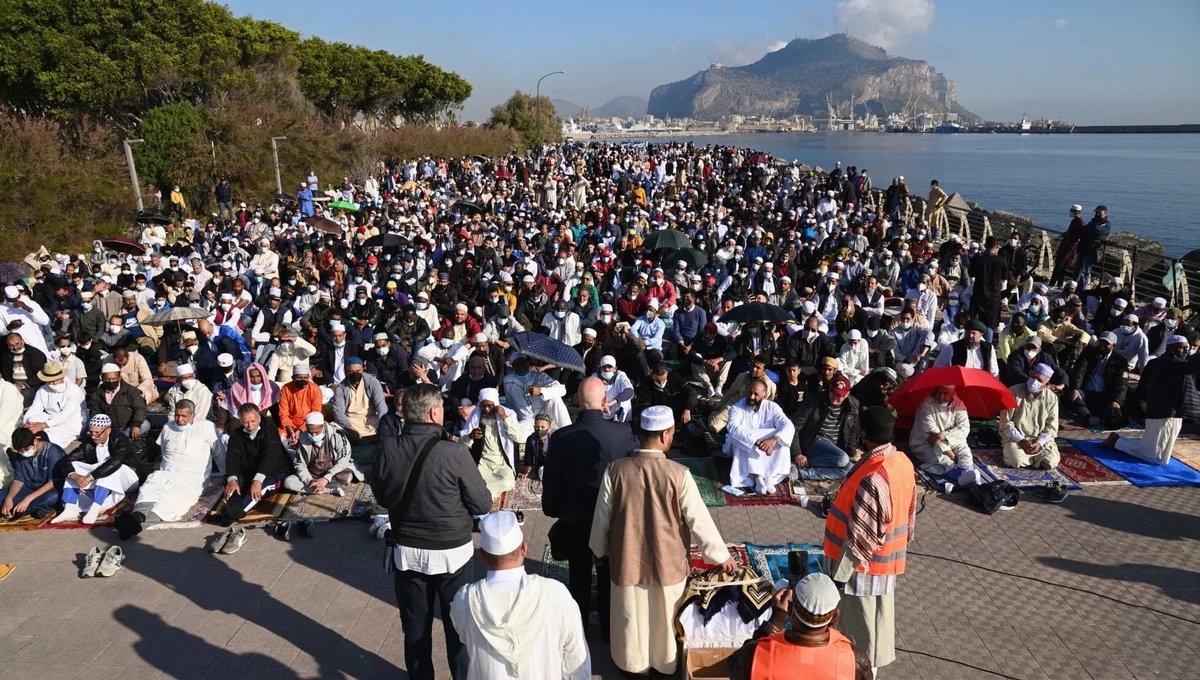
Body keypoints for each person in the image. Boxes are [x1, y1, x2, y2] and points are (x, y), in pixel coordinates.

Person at [589, 405, 736, 676]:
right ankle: (665, 666)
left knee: (631, 618)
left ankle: (633, 666)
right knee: (665, 620)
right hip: (667, 563)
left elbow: (602, 520)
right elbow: (699, 521)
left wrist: (598, 549)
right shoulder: (678, 474)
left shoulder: (615, 471)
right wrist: (720, 556)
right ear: (666, 435)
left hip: (626, 562)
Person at [368, 383, 491, 680]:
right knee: (458, 627)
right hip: (452, 552)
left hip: (407, 552)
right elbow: (482, 503)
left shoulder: (386, 448)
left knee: (415, 628)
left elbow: (383, 497)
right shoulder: (455, 452)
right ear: (435, 412)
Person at [543, 377, 639, 638]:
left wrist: (554, 510)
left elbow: (551, 486)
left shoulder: (561, 438)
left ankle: (579, 630)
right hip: (614, 521)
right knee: (610, 576)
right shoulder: (623, 433)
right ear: (605, 401)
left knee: (579, 576)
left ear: (576, 400)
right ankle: (611, 631)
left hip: (576, 522)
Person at [823, 406, 915, 677]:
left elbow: (861, 539)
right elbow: (909, 516)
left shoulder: (873, 477)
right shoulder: (902, 462)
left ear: (864, 433)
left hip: (860, 573)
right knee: (874, 634)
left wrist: (839, 578)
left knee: (859, 642)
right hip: (886, 565)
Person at [449, 511, 592, 680]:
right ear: (524, 549)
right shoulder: (556, 594)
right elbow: (576, 661)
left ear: (482, 556)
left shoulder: (465, 601)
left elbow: (464, 637)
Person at [115, 400, 224, 539]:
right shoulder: (168, 427)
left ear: (193, 415)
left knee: (172, 500)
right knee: (150, 487)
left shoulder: (206, 427)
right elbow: (163, 450)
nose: (180, 420)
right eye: (177, 415)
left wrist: (227, 475)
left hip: (191, 478)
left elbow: (219, 453)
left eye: (184, 416)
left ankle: (135, 526)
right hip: (166, 473)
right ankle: (137, 516)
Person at [727, 573, 866, 680]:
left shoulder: (757, 654)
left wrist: (776, 620)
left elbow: (733, 668)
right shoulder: (854, 659)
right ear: (835, 616)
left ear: (790, 609)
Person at [1100, 335, 1200, 464]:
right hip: (1163, 413)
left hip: (1175, 412)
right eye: (1181, 348)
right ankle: (1117, 442)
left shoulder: (1178, 362)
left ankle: (1122, 443)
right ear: (1171, 349)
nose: (1186, 351)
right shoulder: (1168, 362)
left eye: (1187, 348)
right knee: (1155, 457)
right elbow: (1194, 365)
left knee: (1163, 459)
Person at [53, 414, 146, 524]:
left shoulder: (121, 439)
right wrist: (75, 476)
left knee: (112, 466)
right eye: (91, 432)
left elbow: (116, 461)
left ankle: (95, 508)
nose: (93, 436)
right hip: (103, 480)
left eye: (97, 433)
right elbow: (66, 460)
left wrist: (90, 477)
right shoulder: (89, 442)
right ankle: (70, 507)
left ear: (108, 430)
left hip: (129, 477)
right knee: (75, 465)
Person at [215, 403, 289, 526]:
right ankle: (233, 508)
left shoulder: (269, 428)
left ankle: (238, 511)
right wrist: (232, 479)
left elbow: (271, 455)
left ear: (259, 417)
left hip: (272, 470)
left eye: (253, 421)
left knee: (259, 488)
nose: (250, 425)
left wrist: (257, 480)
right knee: (232, 484)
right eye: (245, 422)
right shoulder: (236, 435)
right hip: (248, 470)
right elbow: (232, 458)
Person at [725, 377, 796, 494]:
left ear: (764, 395)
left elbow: (788, 425)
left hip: (767, 447)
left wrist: (773, 440)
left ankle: (769, 477)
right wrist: (757, 442)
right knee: (745, 437)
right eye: (750, 392)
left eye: (756, 394)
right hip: (741, 447)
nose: (751, 397)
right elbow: (733, 428)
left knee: (782, 436)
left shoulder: (772, 407)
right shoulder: (736, 408)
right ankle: (757, 477)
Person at [790, 375, 860, 481]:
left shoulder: (853, 406)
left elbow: (851, 431)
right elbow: (794, 426)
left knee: (849, 468)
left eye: (839, 395)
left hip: (834, 448)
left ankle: (802, 472)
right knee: (842, 458)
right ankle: (801, 463)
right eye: (832, 392)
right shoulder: (815, 400)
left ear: (847, 395)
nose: (834, 397)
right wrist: (798, 454)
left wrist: (852, 452)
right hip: (814, 440)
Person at [908, 386, 981, 486]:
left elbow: (964, 428)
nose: (941, 397)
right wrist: (949, 453)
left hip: (952, 439)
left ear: (952, 393)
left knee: (965, 453)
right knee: (944, 461)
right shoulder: (926, 406)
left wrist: (944, 435)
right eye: (938, 392)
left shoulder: (959, 405)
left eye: (945, 393)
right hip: (925, 443)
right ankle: (959, 477)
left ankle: (967, 472)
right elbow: (933, 437)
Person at [459, 387, 523, 499]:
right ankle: (483, 494)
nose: (487, 409)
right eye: (484, 405)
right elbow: (462, 443)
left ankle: (483, 495)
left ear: (496, 404)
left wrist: (505, 419)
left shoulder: (509, 414)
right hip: (483, 462)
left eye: (490, 405)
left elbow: (520, 438)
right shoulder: (476, 415)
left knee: (508, 482)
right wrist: (470, 436)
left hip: (502, 463)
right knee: (471, 481)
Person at [284, 411, 362, 494]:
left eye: (316, 432)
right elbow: (299, 464)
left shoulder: (337, 435)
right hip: (312, 474)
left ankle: (317, 488)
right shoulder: (303, 438)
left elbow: (344, 459)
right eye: (310, 432)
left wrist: (326, 478)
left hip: (333, 473)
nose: (313, 436)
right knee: (288, 482)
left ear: (323, 426)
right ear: (306, 428)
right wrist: (310, 481)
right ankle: (328, 490)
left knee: (346, 477)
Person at [1001, 364, 1061, 469]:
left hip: (1039, 439)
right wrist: (1022, 441)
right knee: (1015, 461)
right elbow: (1005, 423)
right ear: (1030, 374)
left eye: (1039, 380)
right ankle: (1032, 459)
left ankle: (1034, 458)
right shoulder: (1013, 392)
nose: (1034, 382)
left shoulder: (1052, 398)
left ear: (1046, 382)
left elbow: (1051, 427)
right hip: (1017, 438)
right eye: (1033, 377)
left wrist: (1039, 442)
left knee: (1051, 461)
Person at [1067, 332, 1129, 429]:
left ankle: (1114, 419)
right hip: (1087, 392)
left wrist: (1117, 400)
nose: (1103, 346)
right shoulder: (1089, 354)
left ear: (1113, 346)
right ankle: (1088, 417)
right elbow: (1079, 371)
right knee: (1075, 397)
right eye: (1101, 342)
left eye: (1106, 343)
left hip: (1105, 395)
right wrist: (1075, 388)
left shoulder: (1120, 361)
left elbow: (1122, 384)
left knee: (1114, 407)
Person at [1, 427, 64, 519]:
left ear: (35, 441)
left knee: (52, 497)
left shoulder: (53, 451)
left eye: (26, 449)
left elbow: (52, 482)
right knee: (2, 495)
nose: (23, 453)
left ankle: (23, 509)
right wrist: (8, 499)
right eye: (21, 451)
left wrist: (27, 499)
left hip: (50, 489)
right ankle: (32, 509)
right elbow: (18, 481)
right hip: (30, 487)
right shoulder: (20, 454)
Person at [22, 362, 87, 448]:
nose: (55, 383)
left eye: (57, 380)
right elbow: (35, 408)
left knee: (54, 433)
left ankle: (42, 440)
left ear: (63, 377)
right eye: (51, 381)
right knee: (32, 419)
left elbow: (66, 414)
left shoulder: (74, 390)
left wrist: (43, 425)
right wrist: (27, 423)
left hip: (71, 421)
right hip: (50, 417)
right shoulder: (42, 390)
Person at [330, 356, 388, 443]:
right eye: (351, 371)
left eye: (358, 371)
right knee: (332, 428)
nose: (355, 374)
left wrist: (383, 424)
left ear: (363, 369)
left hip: (370, 420)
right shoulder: (341, 387)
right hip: (350, 422)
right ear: (346, 371)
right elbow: (338, 411)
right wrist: (350, 429)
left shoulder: (372, 382)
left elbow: (381, 406)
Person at [88, 363, 148, 439]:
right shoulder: (96, 395)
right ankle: (117, 440)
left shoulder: (131, 391)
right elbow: (95, 413)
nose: (111, 382)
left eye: (114, 379)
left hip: (128, 426)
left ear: (119, 378)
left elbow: (140, 408)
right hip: (108, 429)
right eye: (107, 379)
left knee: (145, 424)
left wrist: (136, 425)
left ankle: (119, 440)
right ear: (102, 378)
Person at [277, 363, 324, 446]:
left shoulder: (314, 389)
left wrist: (300, 431)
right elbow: (283, 413)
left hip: (309, 424)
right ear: (293, 378)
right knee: (279, 440)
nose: (303, 380)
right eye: (299, 378)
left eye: (305, 378)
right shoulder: (285, 389)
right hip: (289, 424)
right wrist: (291, 431)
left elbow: (315, 413)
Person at [932, 319, 999, 377]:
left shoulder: (988, 348)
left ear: (980, 334)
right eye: (968, 333)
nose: (970, 335)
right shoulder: (952, 348)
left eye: (973, 333)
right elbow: (937, 368)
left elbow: (994, 372)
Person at [595, 354, 634, 422]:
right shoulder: (595, 377)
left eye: (609, 367)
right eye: (604, 367)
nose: (606, 369)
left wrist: (613, 402)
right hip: (601, 410)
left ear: (615, 368)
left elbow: (629, 391)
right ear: (600, 368)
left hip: (617, 410)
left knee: (625, 400)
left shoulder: (620, 376)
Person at [520, 413, 552, 479]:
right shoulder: (531, 439)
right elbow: (528, 457)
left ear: (549, 428)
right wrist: (527, 471)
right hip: (540, 466)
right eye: (537, 427)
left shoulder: (553, 439)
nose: (539, 429)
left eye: (543, 427)